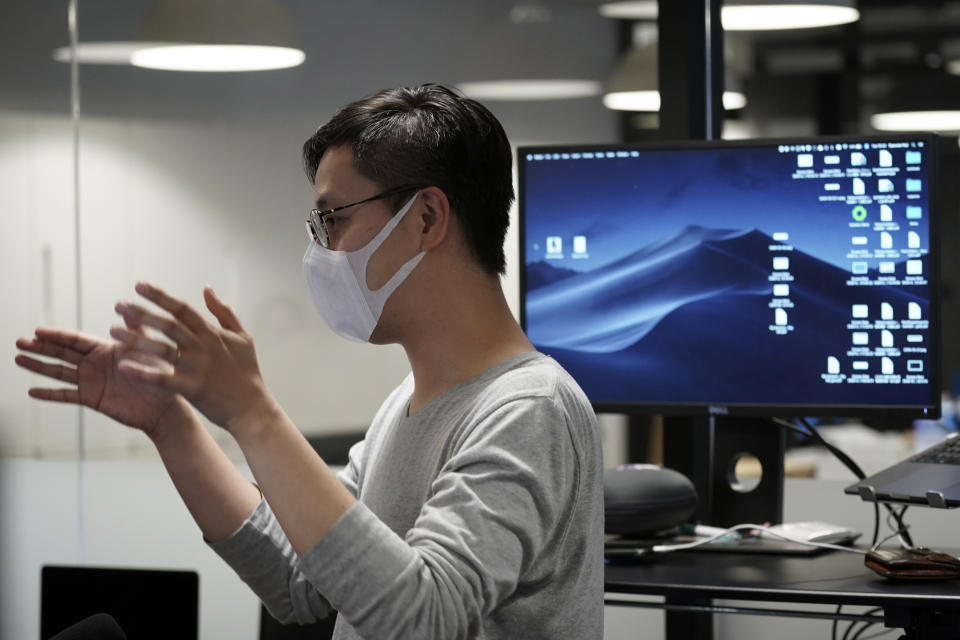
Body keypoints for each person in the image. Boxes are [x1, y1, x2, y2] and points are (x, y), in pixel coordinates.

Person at [15, 84, 604, 639]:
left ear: (426, 218)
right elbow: (301, 581)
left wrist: (253, 413)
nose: (321, 248)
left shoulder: (531, 410)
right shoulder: (407, 402)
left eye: (334, 219)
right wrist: (168, 421)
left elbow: (425, 618)